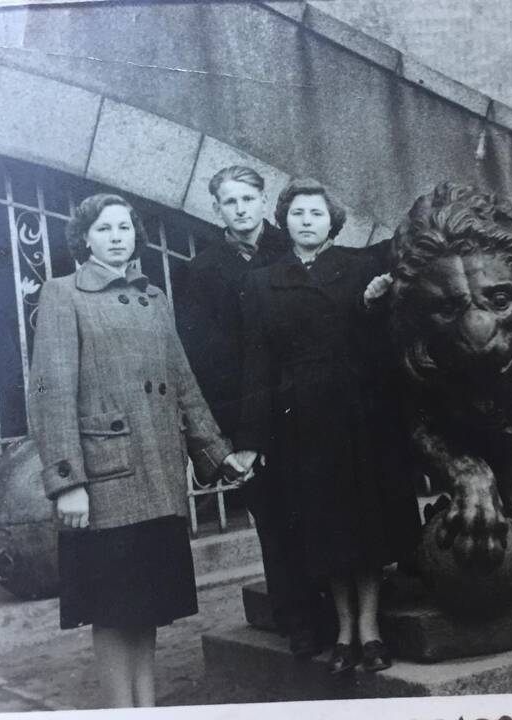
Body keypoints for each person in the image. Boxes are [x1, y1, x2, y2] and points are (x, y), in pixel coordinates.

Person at [27, 193, 243, 708]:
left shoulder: (154, 298)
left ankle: (147, 706)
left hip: (157, 474)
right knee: (112, 608)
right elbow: (50, 392)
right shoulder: (63, 294)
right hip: (104, 481)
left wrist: (217, 452)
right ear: (84, 239)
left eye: (124, 227)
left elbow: (183, 381)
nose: (117, 236)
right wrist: (67, 482)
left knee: (146, 607)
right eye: (104, 229)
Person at [231, 179, 421, 674]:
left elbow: (384, 345)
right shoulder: (263, 281)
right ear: (285, 221)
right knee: (329, 528)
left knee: (368, 525)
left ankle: (371, 628)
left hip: (363, 418)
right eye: (297, 213)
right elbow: (258, 365)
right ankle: (343, 629)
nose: (307, 220)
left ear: (332, 221)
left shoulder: (361, 268)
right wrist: (251, 440)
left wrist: (373, 304)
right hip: (305, 426)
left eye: (316, 213)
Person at [175, 166, 326, 655]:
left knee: (325, 508)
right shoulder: (202, 271)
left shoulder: (294, 246)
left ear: (264, 201)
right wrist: (238, 437)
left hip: (310, 404)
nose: (240, 209)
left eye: (248, 198)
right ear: (216, 209)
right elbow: (208, 360)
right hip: (254, 417)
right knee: (276, 518)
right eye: (229, 202)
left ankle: (340, 609)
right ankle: (298, 619)